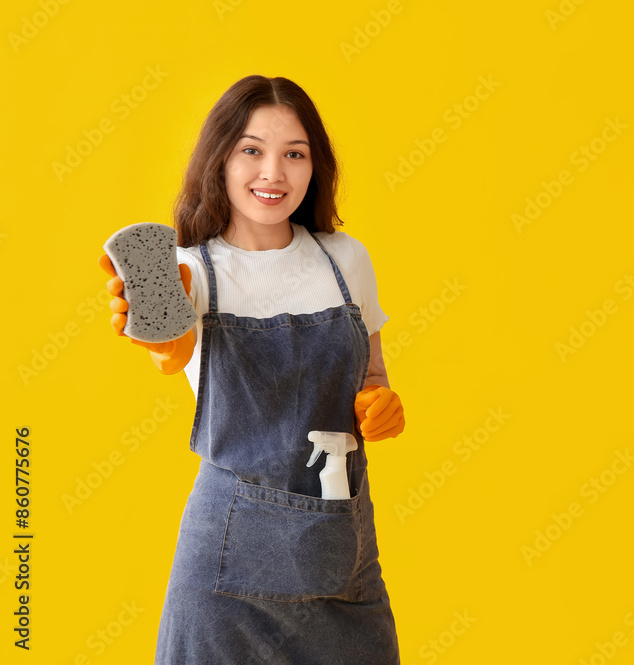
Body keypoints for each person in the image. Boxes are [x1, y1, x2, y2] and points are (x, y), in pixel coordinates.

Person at [98, 75, 405, 664]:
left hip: (339, 558)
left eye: (294, 154)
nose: (274, 173)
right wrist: (159, 333)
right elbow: (178, 351)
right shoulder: (191, 269)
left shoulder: (346, 259)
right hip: (225, 574)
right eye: (251, 150)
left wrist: (382, 403)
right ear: (220, 159)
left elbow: (372, 374)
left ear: (316, 167)